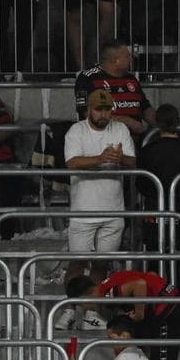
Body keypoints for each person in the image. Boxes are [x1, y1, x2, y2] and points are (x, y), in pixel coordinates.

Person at [59, 89, 135, 329]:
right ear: (88, 110)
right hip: (83, 210)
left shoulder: (120, 129)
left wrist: (121, 159)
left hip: (113, 210)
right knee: (77, 264)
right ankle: (70, 309)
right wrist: (101, 158)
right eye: (99, 109)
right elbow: (72, 163)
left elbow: (133, 161)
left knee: (101, 264)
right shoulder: (76, 131)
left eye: (107, 109)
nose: (103, 114)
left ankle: (90, 313)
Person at [68, 270, 180, 360]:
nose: (86, 309)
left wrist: (139, 314)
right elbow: (151, 275)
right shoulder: (111, 281)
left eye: (81, 304)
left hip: (170, 313)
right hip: (174, 307)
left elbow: (140, 284)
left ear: (84, 297)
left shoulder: (108, 293)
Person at [137, 104, 180, 253]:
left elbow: (140, 184)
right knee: (178, 253)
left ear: (157, 123)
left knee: (153, 254)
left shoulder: (147, 150)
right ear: (177, 122)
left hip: (154, 207)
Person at [74, 41, 153, 139]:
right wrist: (128, 122)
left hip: (136, 140)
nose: (131, 59)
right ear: (116, 61)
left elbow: (145, 108)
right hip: (101, 140)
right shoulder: (88, 78)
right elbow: (87, 114)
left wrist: (162, 123)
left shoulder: (131, 79)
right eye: (127, 56)